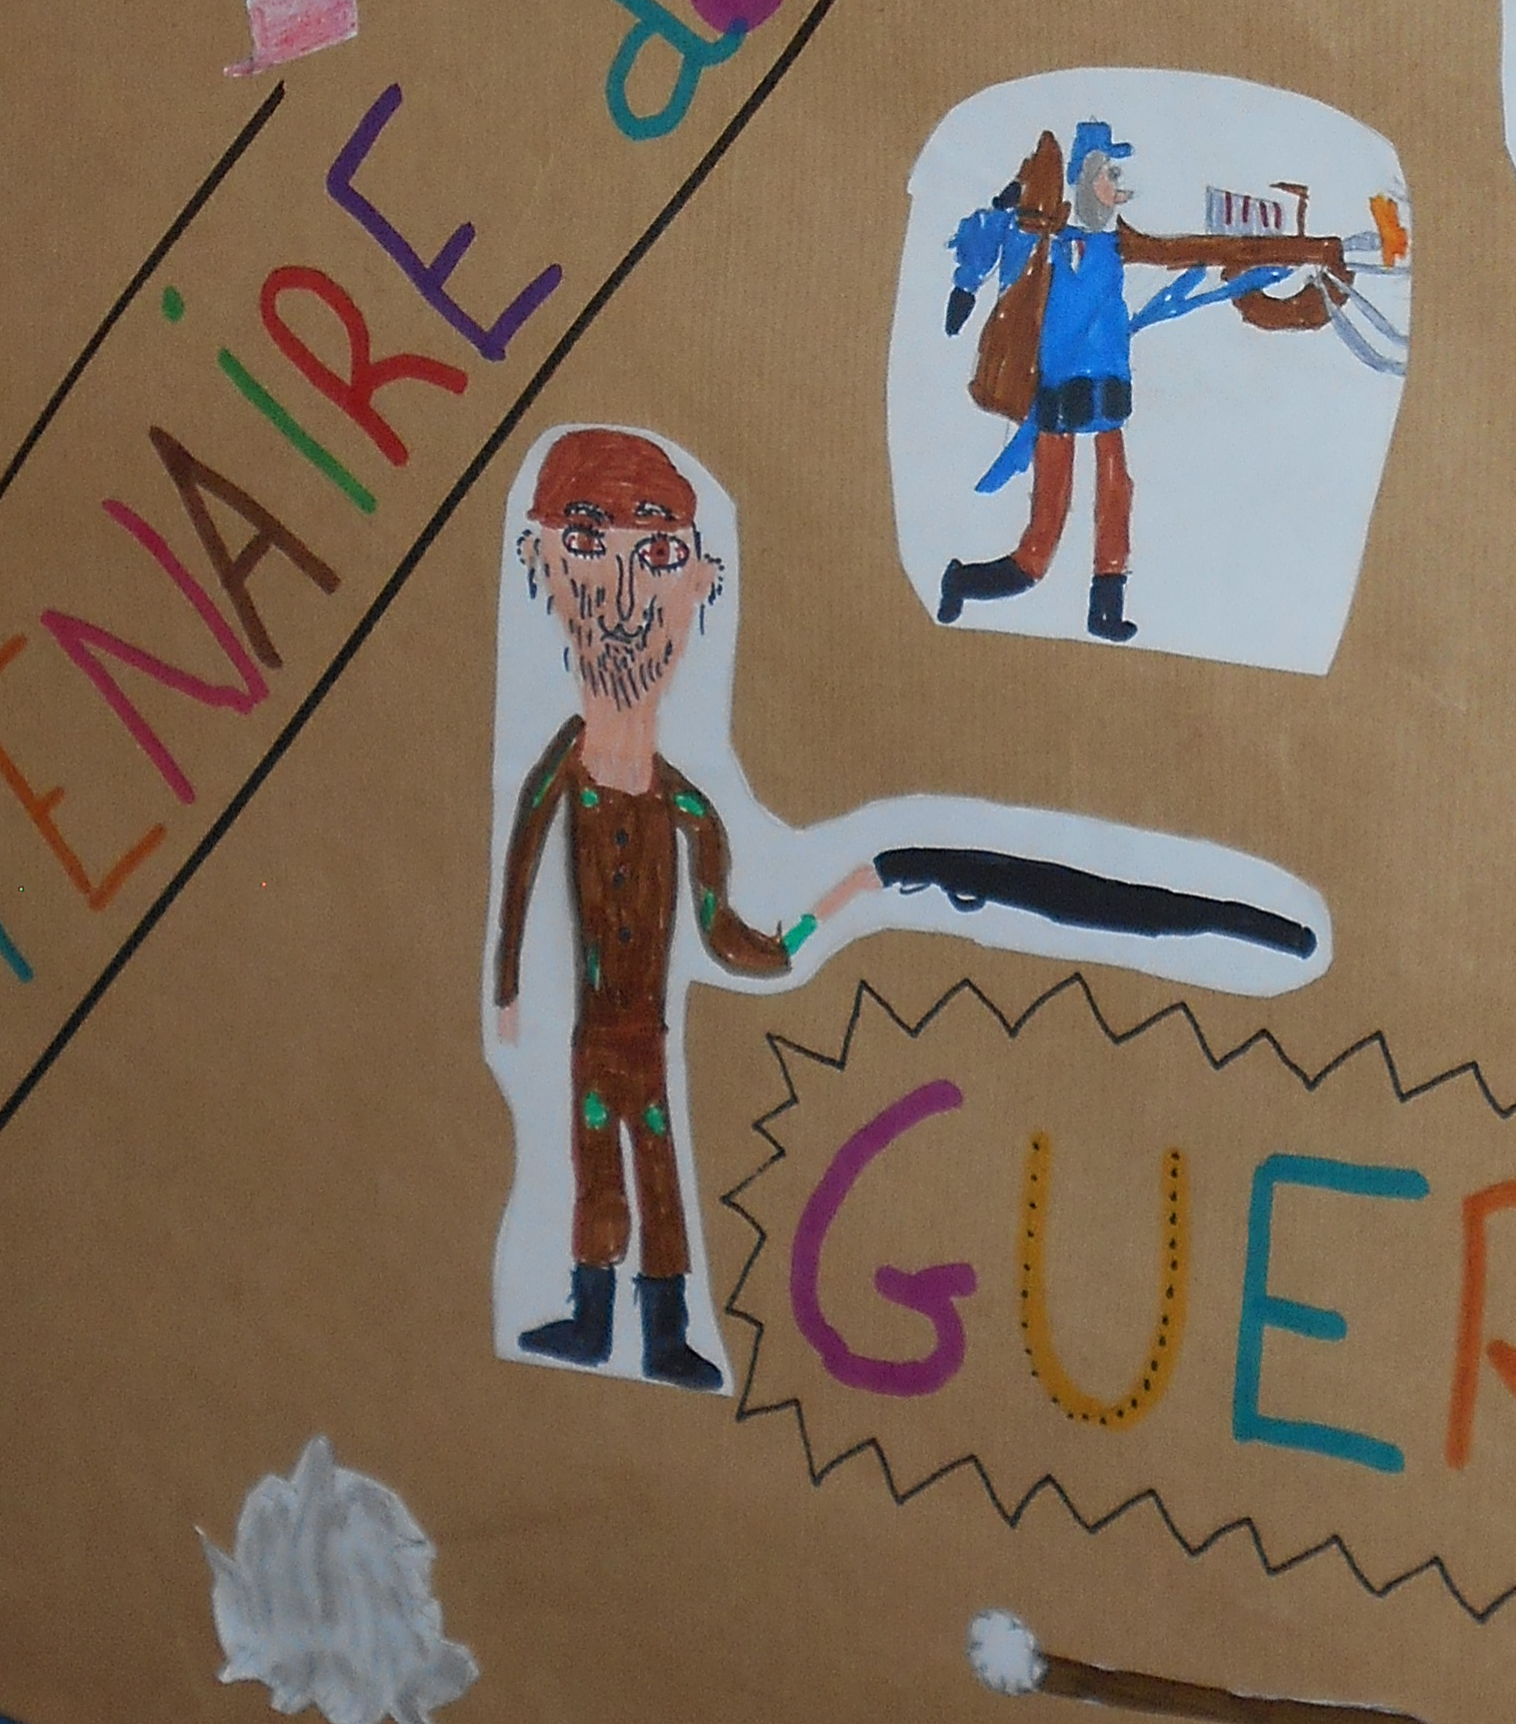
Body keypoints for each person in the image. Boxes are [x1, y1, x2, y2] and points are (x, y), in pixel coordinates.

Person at [492, 427, 871, 1389]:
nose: (623, 599)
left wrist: (820, 920)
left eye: (657, 557)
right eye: (589, 544)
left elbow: (725, 934)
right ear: (542, 562)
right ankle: (591, 1319)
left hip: (645, 1040)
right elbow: (520, 869)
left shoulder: (688, 810)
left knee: (656, 1177)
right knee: (597, 1174)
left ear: (701, 582)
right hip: (591, 1039)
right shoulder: (561, 770)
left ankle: (663, 1332)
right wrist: (506, 989)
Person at [936, 121, 1343, 644]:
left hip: (1108, 387)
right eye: (1108, 174)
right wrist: (966, 286)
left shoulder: (1116, 242)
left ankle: (1105, 606)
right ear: (1085, 179)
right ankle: (973, 580)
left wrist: (1277, 254)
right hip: (1058, 392)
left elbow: (1182, 250)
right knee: (1048, 517)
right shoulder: (1047, 240)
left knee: (1115, 489)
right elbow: (988, 232)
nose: (1117, 185)